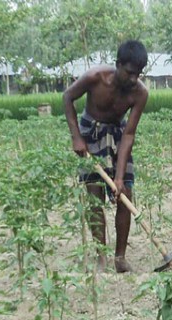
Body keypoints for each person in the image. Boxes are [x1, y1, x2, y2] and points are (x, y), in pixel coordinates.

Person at [63, 40, 149, 273]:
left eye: (138, 74)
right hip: (90, 131)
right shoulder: (95, 77)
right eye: (130, 73)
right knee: (94, 194)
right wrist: (77, 137)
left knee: (125, 194)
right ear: (118, 64)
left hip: (118, 134)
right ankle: (100, 254)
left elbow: (129, 134)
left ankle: (119, 258)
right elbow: (67, 97)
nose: (134, 79)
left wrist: (119, 176)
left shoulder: (140, 93)